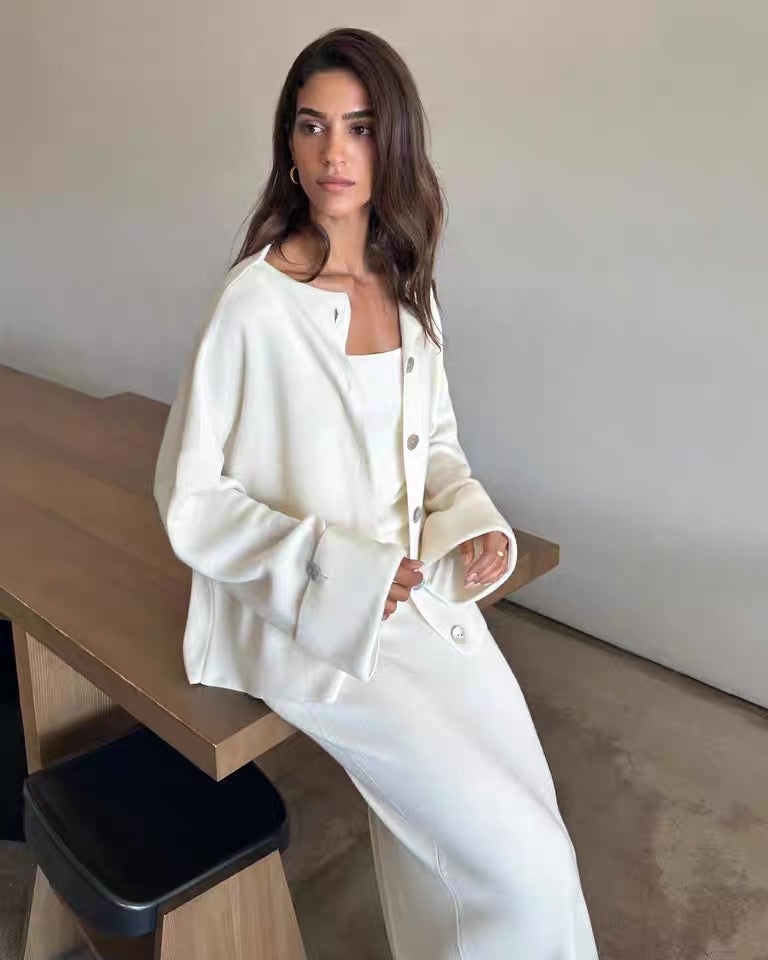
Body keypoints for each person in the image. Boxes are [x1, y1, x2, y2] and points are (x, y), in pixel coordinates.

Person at [153, 26, 599, 959]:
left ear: (390, 140)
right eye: (311, 125)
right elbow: (190, 498)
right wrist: (338, 570)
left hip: (426, 604)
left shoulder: (409, 286)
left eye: (357, 127)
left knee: (523, 825)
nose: (333, 152)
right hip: (313, 630)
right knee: (525, 867)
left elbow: (435, 450)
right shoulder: (255, 303)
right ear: (288, 142)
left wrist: (471, 523)